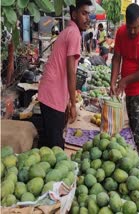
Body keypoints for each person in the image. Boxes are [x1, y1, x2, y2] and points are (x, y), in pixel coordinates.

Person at [37, 0, 92, 149]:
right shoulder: (74, 33)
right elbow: (71, 72)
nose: (88, 18)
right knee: (56, 147)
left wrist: (68, 100)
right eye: (83, 13)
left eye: (89, 14)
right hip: (52, 96)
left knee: (50, 142)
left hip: (51, 94)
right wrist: (73, 104)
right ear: (74, 14)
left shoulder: (69, 30)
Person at [110, 3, 139, 153]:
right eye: (129, 27)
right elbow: (116, 59)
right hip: (128, 91)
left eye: (135, 27)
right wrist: (113, 81)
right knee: (129, 127)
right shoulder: (121, 33)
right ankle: (131, 156)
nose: (132, 31)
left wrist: (124, 81)